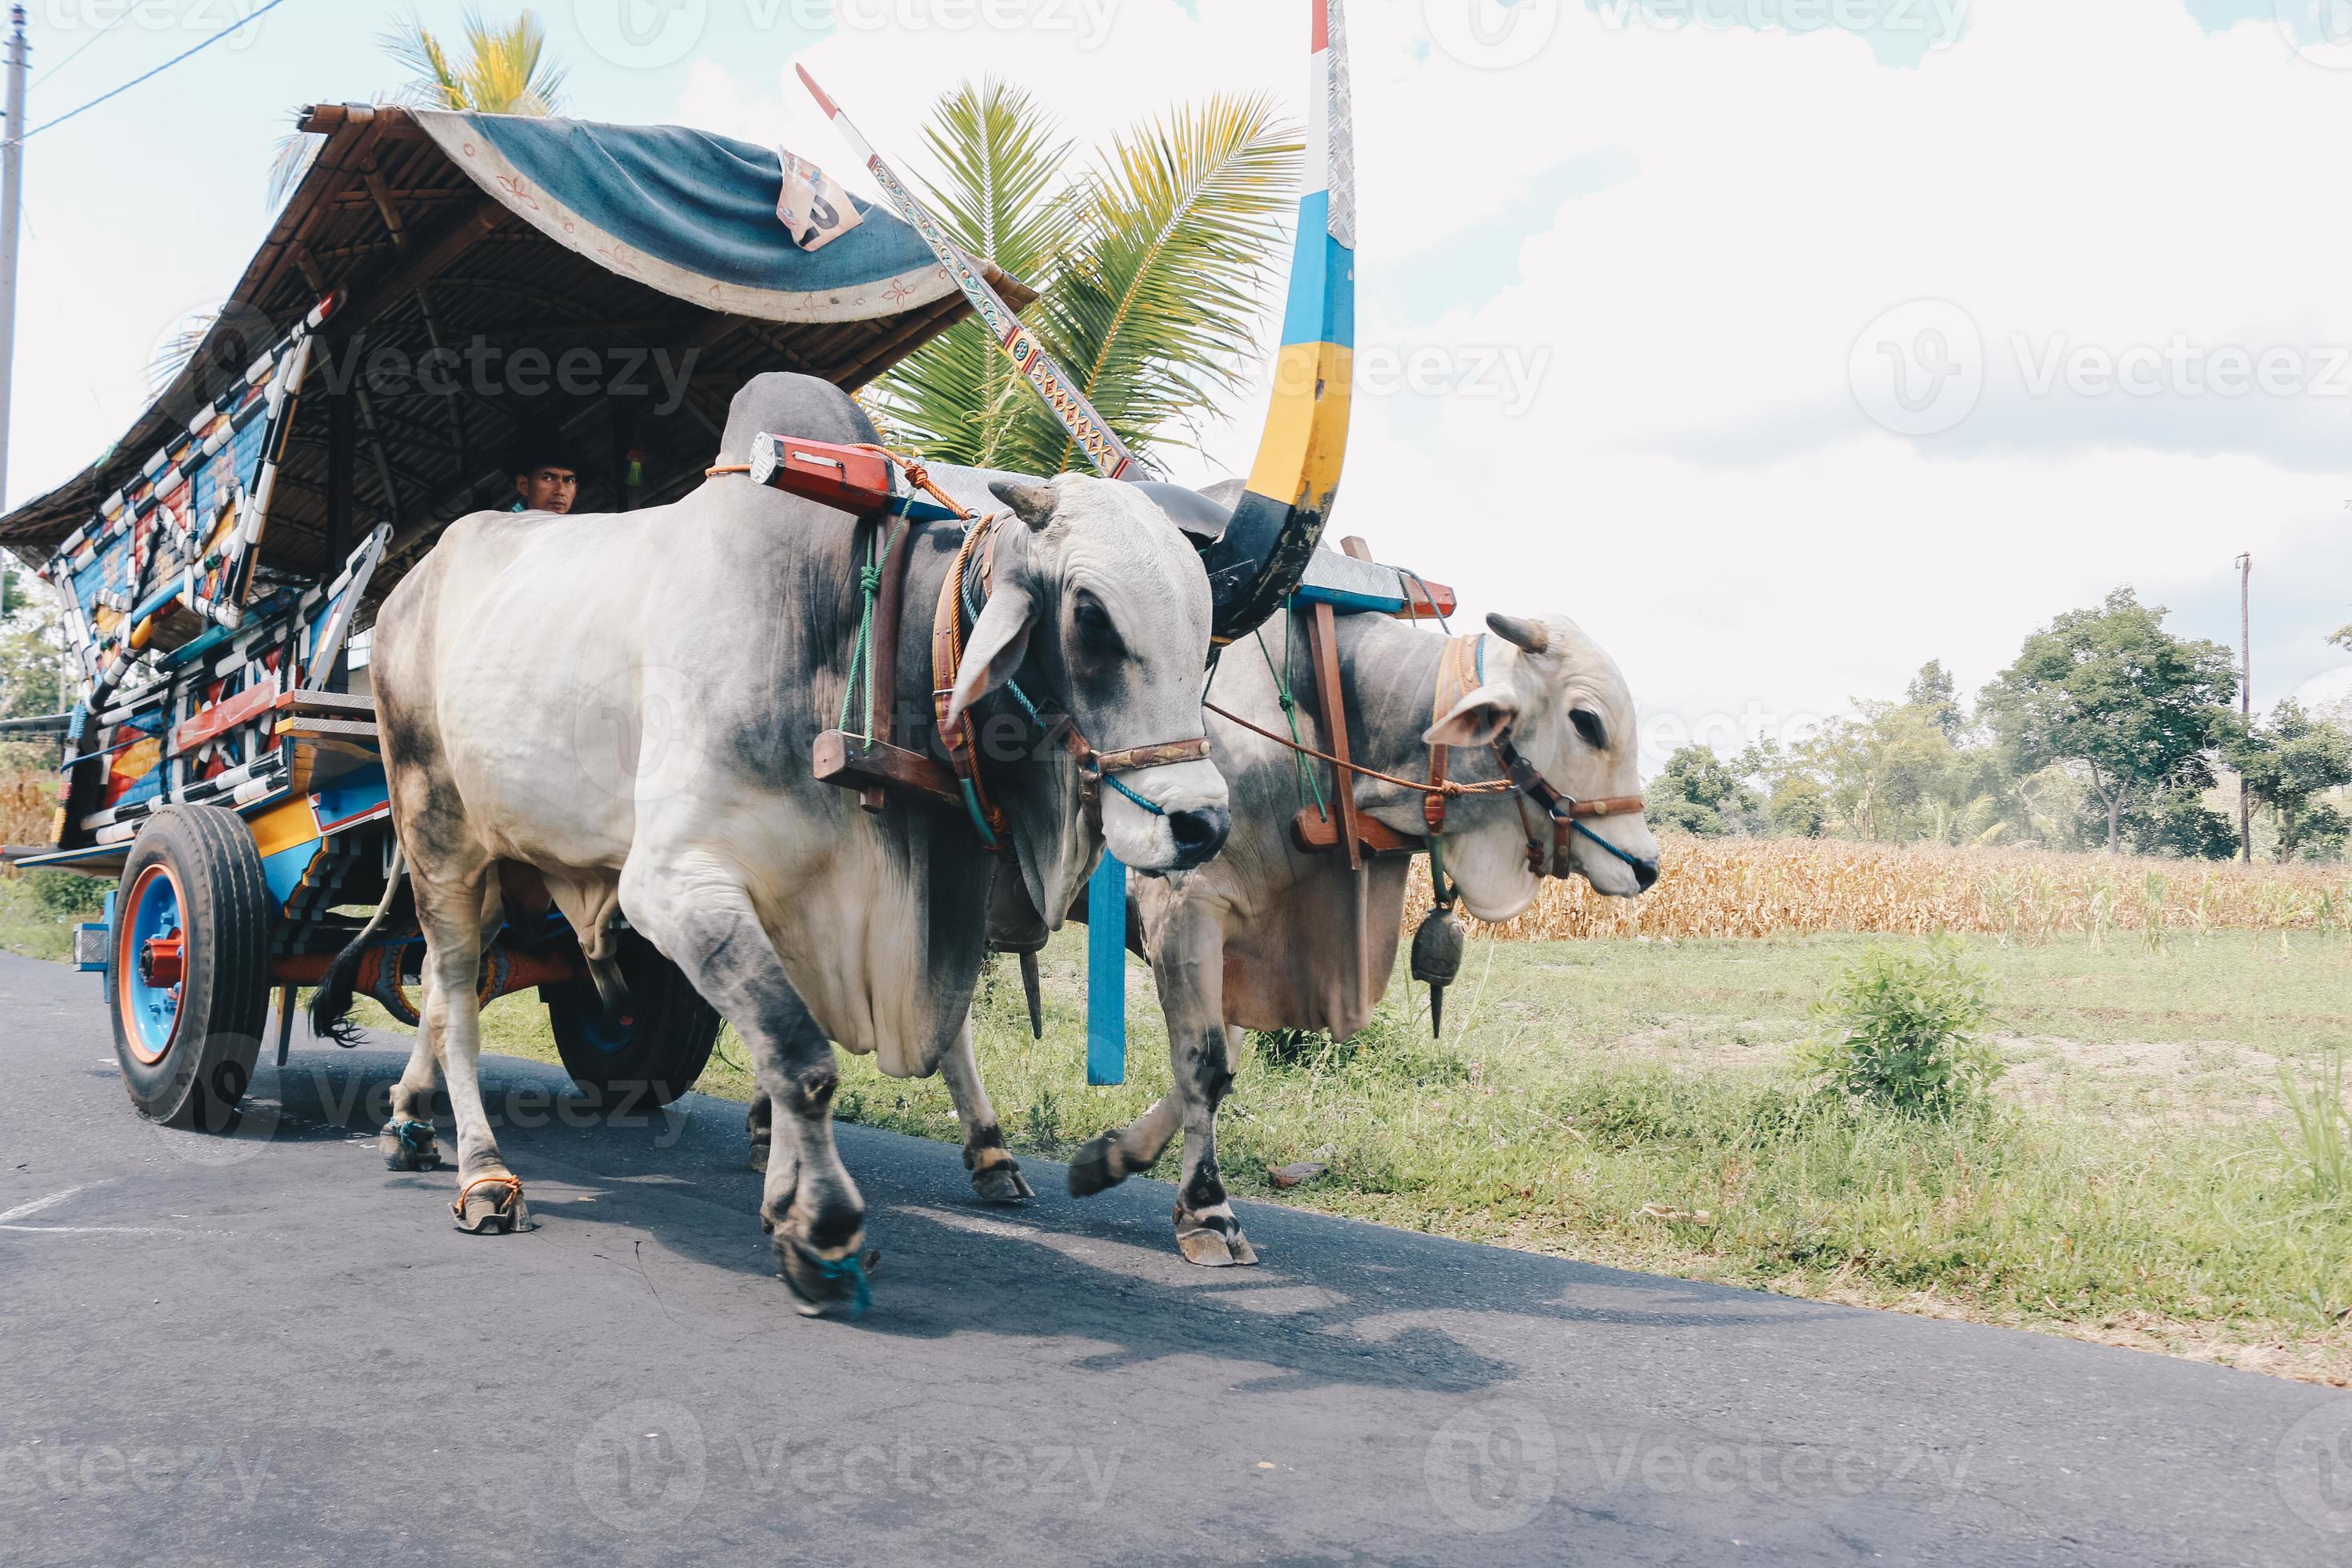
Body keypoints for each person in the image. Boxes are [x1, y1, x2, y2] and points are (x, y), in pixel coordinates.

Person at [509, 434, 581, 515]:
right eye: (548, 478)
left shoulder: (582, 526)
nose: (560, 491)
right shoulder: (503, 526)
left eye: (569, 481)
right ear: (524, 486)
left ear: (575, 490)